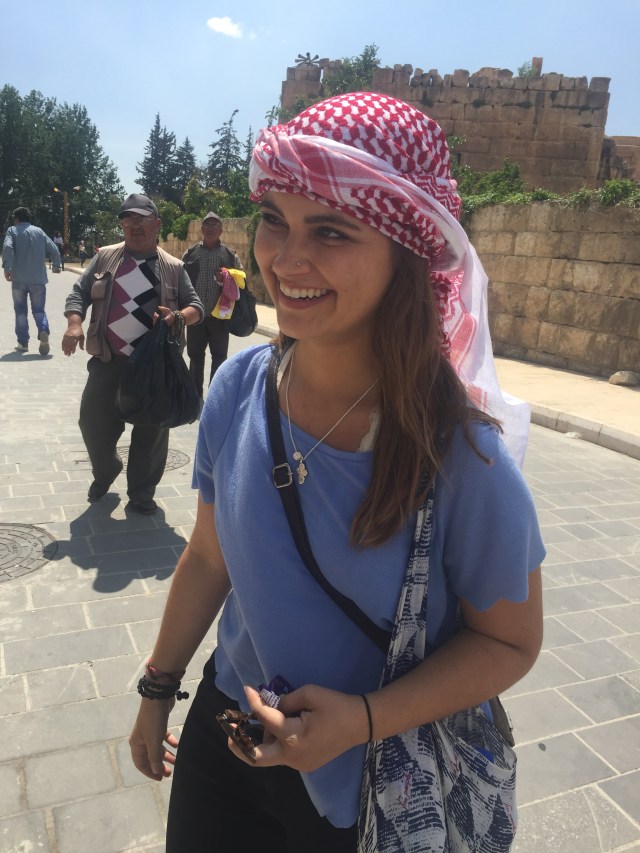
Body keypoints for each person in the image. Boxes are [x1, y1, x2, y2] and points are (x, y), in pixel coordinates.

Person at [129, 93, 545, 851]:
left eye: (330, 230)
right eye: (274, 219)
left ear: (405, 253)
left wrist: (361, 719)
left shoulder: (463, 458)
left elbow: (511, 643)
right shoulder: (239, 389)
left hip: (371, 789)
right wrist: (158, 687)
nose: (286, 260)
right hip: (226, 736)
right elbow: (210, 558)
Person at [62, 193, 204, 515]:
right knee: (92, 422)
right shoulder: (105, 258)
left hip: (155, 367)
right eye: (128, 219)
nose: (134, 225)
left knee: (152, 430)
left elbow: (196, 307)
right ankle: (106, 469)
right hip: (108, 360)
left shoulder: (173, 267)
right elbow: (79, 293)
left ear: (157, 224)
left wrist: (178, 317)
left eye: (142, 219)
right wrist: (74, 324)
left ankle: (141, 493)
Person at [182, 212, 244, 401]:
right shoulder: (190, 254)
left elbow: (242, 281)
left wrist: (227, 278)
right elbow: (180, 281)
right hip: (196, 316)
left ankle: (215, 397)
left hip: (220, 317)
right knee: (195, 356)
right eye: (207, 225)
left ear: (221, 230)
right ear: (201, 229)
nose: (210, 229)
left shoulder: (230, 255)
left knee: (219, 356)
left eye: (214, 225)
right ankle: (195, 397)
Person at [2, 206, 61, 354]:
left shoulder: (12, 230)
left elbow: (7, 247)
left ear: (17, 219)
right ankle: (43, 330)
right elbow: (54, 249)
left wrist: (7, 268)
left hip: (19, 279)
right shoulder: (39, 231)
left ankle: (23, 343)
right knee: (39, 310)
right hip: (38, 279)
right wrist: (56, 265)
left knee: (21, 311)